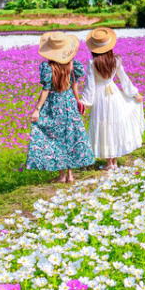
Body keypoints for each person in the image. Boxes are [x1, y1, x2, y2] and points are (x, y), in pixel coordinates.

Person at [26, 31, 95, 183]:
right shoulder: (73, 64)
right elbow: (75, 86)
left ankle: (62, 176)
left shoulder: (47, 67)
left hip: (54, 104)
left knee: (56, 138)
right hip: (69, 102)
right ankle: (70, 175)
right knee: (70, 137)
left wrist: (37, 109)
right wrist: (78, 102)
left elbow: (45, 91)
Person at [79, 27, 145, 170]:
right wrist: (135, 94)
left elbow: (90, 86)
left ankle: (109, 163)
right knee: (114, 125)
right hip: (114, 96)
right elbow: (124, 79)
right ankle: (114, 162)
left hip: (100, 97)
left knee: (104, 127)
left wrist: (84, 102)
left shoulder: (93, 63)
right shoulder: (115, 60)